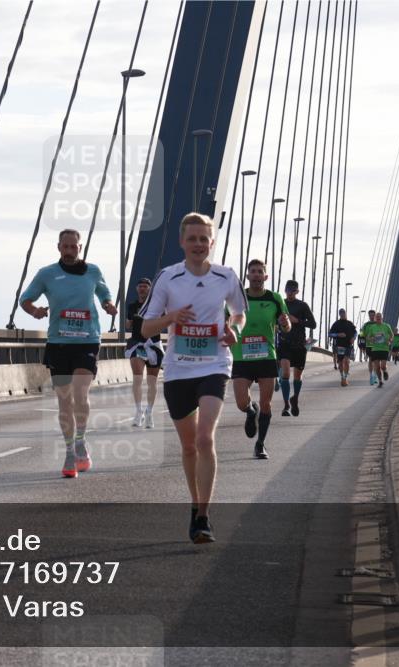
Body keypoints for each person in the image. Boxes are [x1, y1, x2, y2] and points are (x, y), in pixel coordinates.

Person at [141, 212, 245, 544]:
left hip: (214, 365)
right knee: (188, 447)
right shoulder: (168, 277)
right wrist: (171, 317)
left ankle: (203, 516)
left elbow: (239, 313)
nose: (198, 244)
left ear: (212, 243)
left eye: (204, 239)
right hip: (178, 369)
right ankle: (194, 503)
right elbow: (146, 328)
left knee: (204, 439)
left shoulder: (226, 276)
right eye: (192, 238)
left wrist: (234, 330)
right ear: (182, 242)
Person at [21, 229, 116, 479]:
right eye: (66, 247)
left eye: (74, 247)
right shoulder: (47, 274)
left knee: (80, 394)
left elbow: (104, 293)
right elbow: (25, 299)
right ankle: (70, 452)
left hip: (87, 341)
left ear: (80, 248)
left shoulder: (93, 271)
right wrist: (34, 311)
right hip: (59, 343)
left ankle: (81, 439)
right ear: (59, 247)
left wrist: (107, 304)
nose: (70, 251)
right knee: (64, 401)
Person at [230, 259, 291, 460]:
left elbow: (286, 327)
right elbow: (224, 321)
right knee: (241, 402)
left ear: (266, 276)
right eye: (253, 271)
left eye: (259, 272)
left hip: (266, 356)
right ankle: (250, 411)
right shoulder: (237, 298)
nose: (256, 275)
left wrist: (285, 323)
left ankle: (260, 444)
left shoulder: (275, 298)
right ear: (247, 276)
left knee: (266, 403)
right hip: (241, 356)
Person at [125, 277, 164, 428]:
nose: (142, 289)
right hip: (137, 344)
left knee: (152, 381)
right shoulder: (132, 306)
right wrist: (129, 322)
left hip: (153, 344)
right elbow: (128, 324)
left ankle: (149, 412)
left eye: (145, 286)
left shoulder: (157, 305)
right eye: (140, 286)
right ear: (137, 289)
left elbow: (164, 322)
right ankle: (138, 411)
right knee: (137, 378)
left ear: (150, 289)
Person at [275, 279, 316, 417]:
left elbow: (313, 324)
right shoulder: (281, 305)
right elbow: (273, 320)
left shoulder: (302, 306)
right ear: (285, 290)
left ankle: (295, 398)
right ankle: (286, 405)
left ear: (297, 291)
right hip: (284, 343)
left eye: (293, 291)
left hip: (299, 344)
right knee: (286, 374)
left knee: (297, 376)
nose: (290, 293)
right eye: (288, 290)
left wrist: (297, 320)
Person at [362, 312, 394, 387]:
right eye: (377, 317)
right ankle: (380, 381)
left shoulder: (386, 326)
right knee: (377, 367)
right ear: (375, 318)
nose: (378, 318)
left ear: (382, 318)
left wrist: (390, 340)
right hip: (375, 349)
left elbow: (392, 335)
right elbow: (368, 337)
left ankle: (385, 371)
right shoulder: (372, 327)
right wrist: (371, 339)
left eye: (379, 317)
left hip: (384, 348)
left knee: (382, 366)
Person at [328, 308, 357, 386]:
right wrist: (338, 334)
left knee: (346, 361)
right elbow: (330, 334)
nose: (342, 314)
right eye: (341, 313)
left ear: (345, 313)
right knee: (340, 363)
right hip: (339, 346)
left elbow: (355, 332)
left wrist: (353, 338)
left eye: (343, 313)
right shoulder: (336, 324)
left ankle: (345, 378)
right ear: (339, 314)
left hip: (348, 345)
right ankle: (342, 376)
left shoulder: (350, 323)